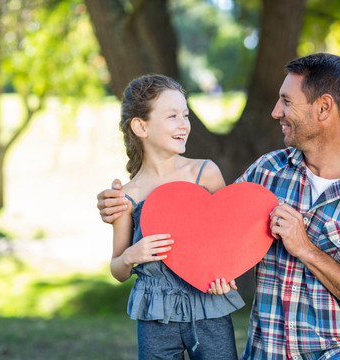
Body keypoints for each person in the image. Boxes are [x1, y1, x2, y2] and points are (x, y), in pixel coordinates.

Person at [98, 54, 340, 360]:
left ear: (324, 108)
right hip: (269, 353)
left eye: (287, 101)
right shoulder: (266, 172)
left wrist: (305, 248)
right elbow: (211, 224)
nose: (276, 111)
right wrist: (123, 209)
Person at [107, 74, 245, 360]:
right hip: (156, 317)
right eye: (172, 116)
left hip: (211, 307)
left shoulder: (205, 174)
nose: (184, 124)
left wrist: (226, 273)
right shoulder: (127, 195)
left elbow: (229, 240)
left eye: (186, 114)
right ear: (141, 126)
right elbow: (118, 269)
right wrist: (133, 254)